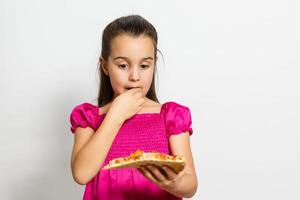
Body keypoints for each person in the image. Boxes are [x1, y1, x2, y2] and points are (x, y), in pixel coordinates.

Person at [69, 14, 198, 200]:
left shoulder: (170, 116)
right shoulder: (89, 117)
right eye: (123, 65)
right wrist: (116, 115)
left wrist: (176, 184)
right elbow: (81, 174)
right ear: (104, 66)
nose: (135, 76)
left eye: (144, 65)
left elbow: (191, 184)